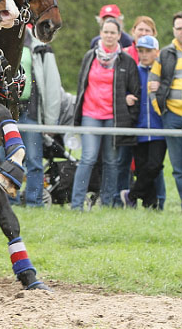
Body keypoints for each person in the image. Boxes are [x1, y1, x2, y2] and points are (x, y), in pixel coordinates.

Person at [71, 18, 140, 209]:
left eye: (113, 33)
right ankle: (76, 204)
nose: (109, 36)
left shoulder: (126, 60)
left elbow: (135, 90)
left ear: (119, 35)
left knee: (111, 161)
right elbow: (81, 86)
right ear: (100, 33)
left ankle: (107, 203)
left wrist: (129, 106)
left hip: (113, 117)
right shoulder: (90, 56)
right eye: (106, 32)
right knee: (88, 158)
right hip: (90, 115)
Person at [18, 25, 62, 207]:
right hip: (6, 113)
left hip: (31, 111)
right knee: (5, 161)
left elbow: (52, 85)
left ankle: (34, 202)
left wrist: (50, 122)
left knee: (34, 161)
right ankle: (8, 201)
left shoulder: (40, 48)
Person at [121, 35, 164, 208]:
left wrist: (161, 89)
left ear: (157, 52)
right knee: (141, 168)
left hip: (159, 130)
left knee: (154, 166)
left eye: (148, 51)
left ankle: (130, 194)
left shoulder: (162, 73)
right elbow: (122, 90)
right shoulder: (134, 71)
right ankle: (150, 205)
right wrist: (126, 98)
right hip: (138, 128)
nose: (144, 55)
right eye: (141, 51)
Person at [151, 11, 182, 211]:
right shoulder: (165, 53)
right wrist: (162, 111)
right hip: (172, 116)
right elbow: (152, 84)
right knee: (178, 168)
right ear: (173, 30)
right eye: (179, 28)